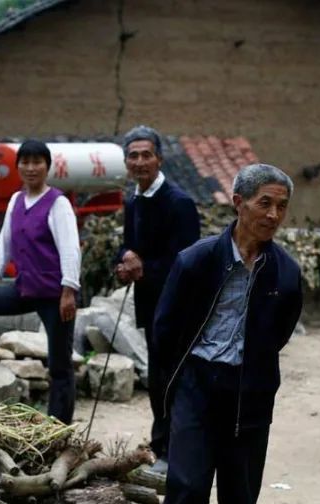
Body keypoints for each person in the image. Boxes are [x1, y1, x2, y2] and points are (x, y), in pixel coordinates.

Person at [145, 164, 303, 504]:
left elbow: (280, 334)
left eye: (281, 206)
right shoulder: (195, 260)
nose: (273, 215)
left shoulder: (286, 274)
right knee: (189, 481)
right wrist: (171, 393)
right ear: (238, 203)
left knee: (240, 489)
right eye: (264, 203)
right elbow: (166, 330)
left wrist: (251, 368)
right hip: (197, 381)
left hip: (249, 390)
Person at [114, 125, 201, 477]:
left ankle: (175, 450)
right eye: (133, 156)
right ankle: (161, 443)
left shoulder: (178, 202)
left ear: (159, 158)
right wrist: (123, 263)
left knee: (174, 378)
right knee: (157, 378)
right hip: (150, 304)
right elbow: (127, 246)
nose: (139, 162)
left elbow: (187, 262)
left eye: (146, 154)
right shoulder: (133, 200)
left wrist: (143, 267)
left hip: (178, 308)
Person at [0, 139, 81, 424]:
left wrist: (68, 291)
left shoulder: (57, 203)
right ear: (18, 167)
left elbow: (71, 249)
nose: (31, 168)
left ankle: (58, 425)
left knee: (60, 364)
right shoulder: (16, 200)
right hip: (24, 288)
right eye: (25, 162)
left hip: (54, 294)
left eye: (37, 162)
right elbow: (5, 242)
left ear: (48, 167)